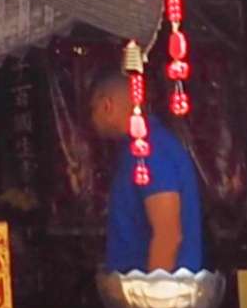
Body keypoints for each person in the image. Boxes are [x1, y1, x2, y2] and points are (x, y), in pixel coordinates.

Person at [82, 62, 203, 276]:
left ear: (106, 105)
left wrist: (153, 296)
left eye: (92, 110)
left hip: (159, 300)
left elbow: (168, 233)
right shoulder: (138, 147)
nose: (91, 120)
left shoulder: (149, 148)